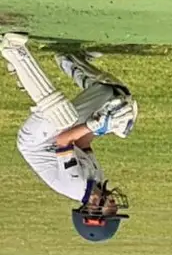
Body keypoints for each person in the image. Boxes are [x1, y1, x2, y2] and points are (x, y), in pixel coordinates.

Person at [2, 32, 138, 242]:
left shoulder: (76, 185)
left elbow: (64, 141)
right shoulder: (97, 182)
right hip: (54, 137)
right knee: (115, 96)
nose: (114, 206)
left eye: (110, 212)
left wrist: (94, 123)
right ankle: (70, 60)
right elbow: (82, 142)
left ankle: (12, 50)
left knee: (62, 116)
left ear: (93, 211)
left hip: (35, 142)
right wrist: (104, 126)